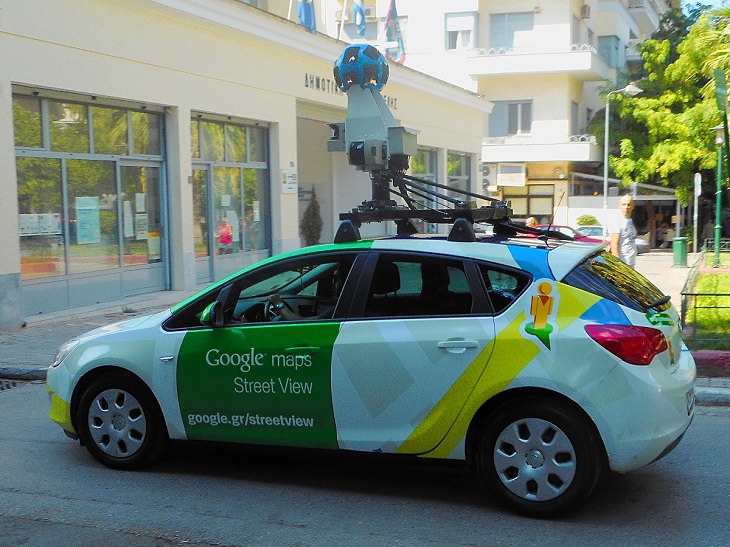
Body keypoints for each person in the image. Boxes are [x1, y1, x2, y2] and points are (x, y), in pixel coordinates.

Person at [608, 194, 637, 267]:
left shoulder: (629, 221)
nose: (626, 207)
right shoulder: (616, 222)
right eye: (623, 204)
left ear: (633, 206)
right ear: (619, 206)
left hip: (630, 262)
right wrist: (618, 264)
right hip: (623, 262)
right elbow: (614, 244)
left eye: (628, 204)